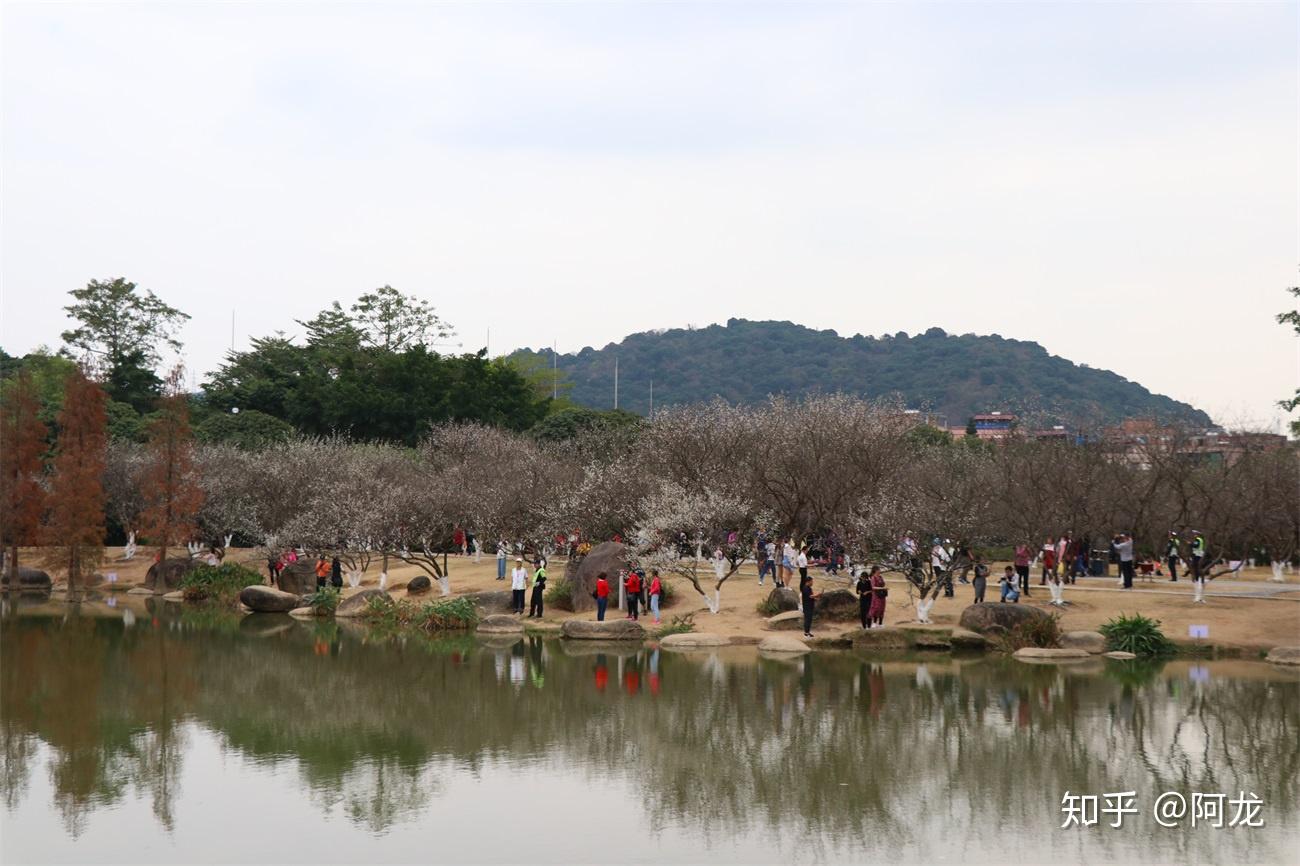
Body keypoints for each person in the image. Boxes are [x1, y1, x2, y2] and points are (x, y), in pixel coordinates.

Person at [799, 572, 817, 638]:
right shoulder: (805, 588)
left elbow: (811, 597)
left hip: (810, 606)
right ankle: (806, 633)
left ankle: (808, 632)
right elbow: (810, 596)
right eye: (811, 581)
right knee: (807, 620)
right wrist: (817, 595)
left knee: (809, 620)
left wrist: (816, 598)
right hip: (807, 607)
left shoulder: (809, 588)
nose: (812, 583)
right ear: (808, 582)